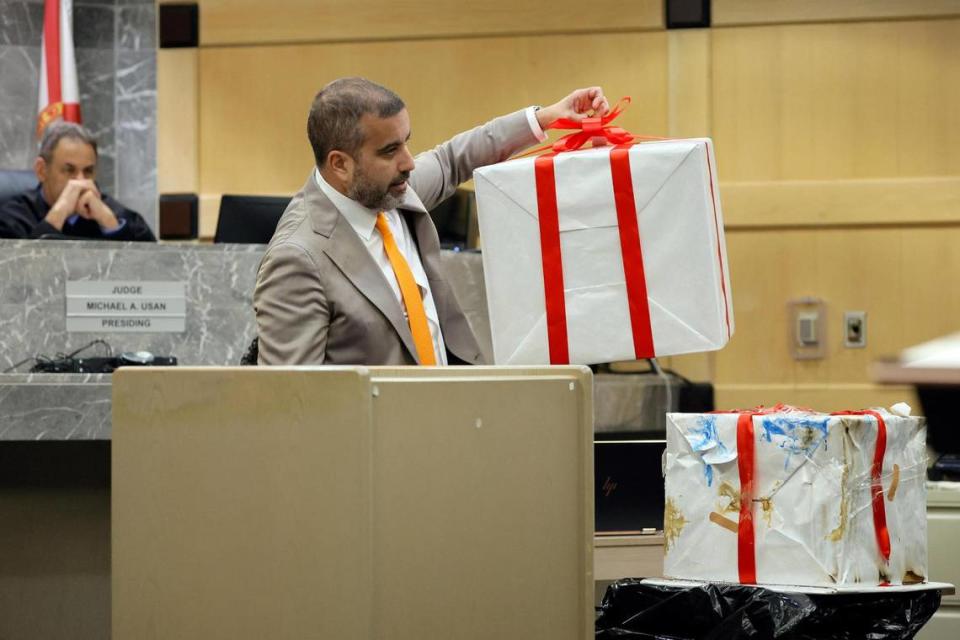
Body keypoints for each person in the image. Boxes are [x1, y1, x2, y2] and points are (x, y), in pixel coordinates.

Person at [254, 77, 608, 366]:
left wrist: (547, 117)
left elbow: (452, 158)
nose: (408, 162)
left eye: (406, 143)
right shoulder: (297, 259)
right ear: (340, 164)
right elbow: (293, 407)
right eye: (390, 150)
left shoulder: (388, 188)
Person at [0, 121, 156, 241]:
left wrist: (110, 225)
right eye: (69, 170)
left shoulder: (113, 213)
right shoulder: (11, 218)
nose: (81, 181)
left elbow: (157, 267)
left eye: (88, 171)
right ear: (42, 170)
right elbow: (18, 272)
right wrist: (59, 213)